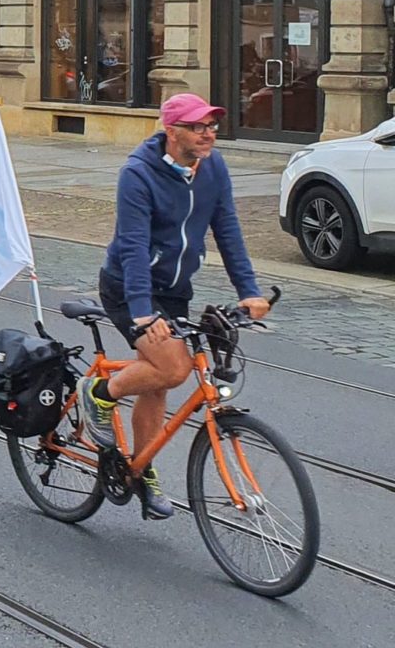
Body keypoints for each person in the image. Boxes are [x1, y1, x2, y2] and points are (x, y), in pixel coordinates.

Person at [77, 93, 270, 521]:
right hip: (130, 288)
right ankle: (97, 393)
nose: (208, 134)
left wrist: (249, 290)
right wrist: (144, 314)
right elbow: (131, 247)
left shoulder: (213, 167)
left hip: (175, 288)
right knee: (174, 368)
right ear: (172, 130)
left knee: (159, 384)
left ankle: (140, 469)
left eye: (212, 125)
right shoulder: (138, 174)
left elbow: (228, 227)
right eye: (198, 126)